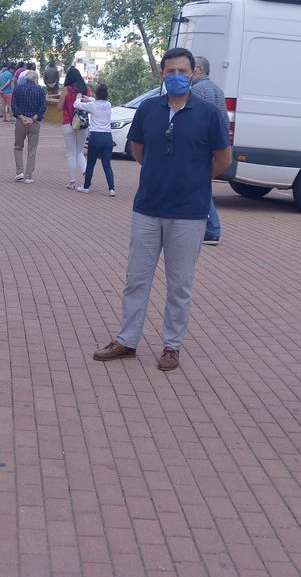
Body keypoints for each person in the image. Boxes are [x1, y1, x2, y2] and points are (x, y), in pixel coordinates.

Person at [92, 48, 231, 373]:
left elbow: (222, 158)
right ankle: (127, 340)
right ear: (163, 75)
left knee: (179, 284)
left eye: (183, 71)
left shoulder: (208, 113)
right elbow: (139, 150)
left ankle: (172, 346)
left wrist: (196, 179)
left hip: (189, 212)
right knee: (136, 279)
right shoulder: (149, 110)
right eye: (171, 71)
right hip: (148, 207)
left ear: (193, 74)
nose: (177, 76)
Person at [191, 56, 228, 245]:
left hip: (200, 145)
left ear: (197, 70)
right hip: (214, 145)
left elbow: (191, 120)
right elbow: (223, 120)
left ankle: (212, 227)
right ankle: (211, 228)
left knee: (198, 184)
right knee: (203, 184)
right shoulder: (218, 91)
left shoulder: (196, 90)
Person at [75, 83, 117, 196]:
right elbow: (96, 100)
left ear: (97, 94)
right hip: (108, 137)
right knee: (107, 164)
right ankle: (111, 189)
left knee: (90, 164)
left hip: (95, 136)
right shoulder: (108, 105)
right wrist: (89, 99)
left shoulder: (92, 106)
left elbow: (76, 105)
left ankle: (86, 186)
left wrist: (79, 98)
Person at [10, 66, 48, 183]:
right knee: (32, 149)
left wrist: (21, 117)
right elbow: (43, 107)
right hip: (34, 123)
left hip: (21, 122)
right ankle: (29, 175)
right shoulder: (41, 90)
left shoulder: (18, 89)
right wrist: (33, 118)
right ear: (35, 79)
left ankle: (19, 171)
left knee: (18, 147)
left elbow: (14, 105)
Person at [61, 66, 91, 189]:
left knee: (71, 153)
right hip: (83, 124)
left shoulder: (66, 90)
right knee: (79, 152)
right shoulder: (86, 89)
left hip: (68, 123)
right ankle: (86, 175)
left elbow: (58, 107)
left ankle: (72, 180)